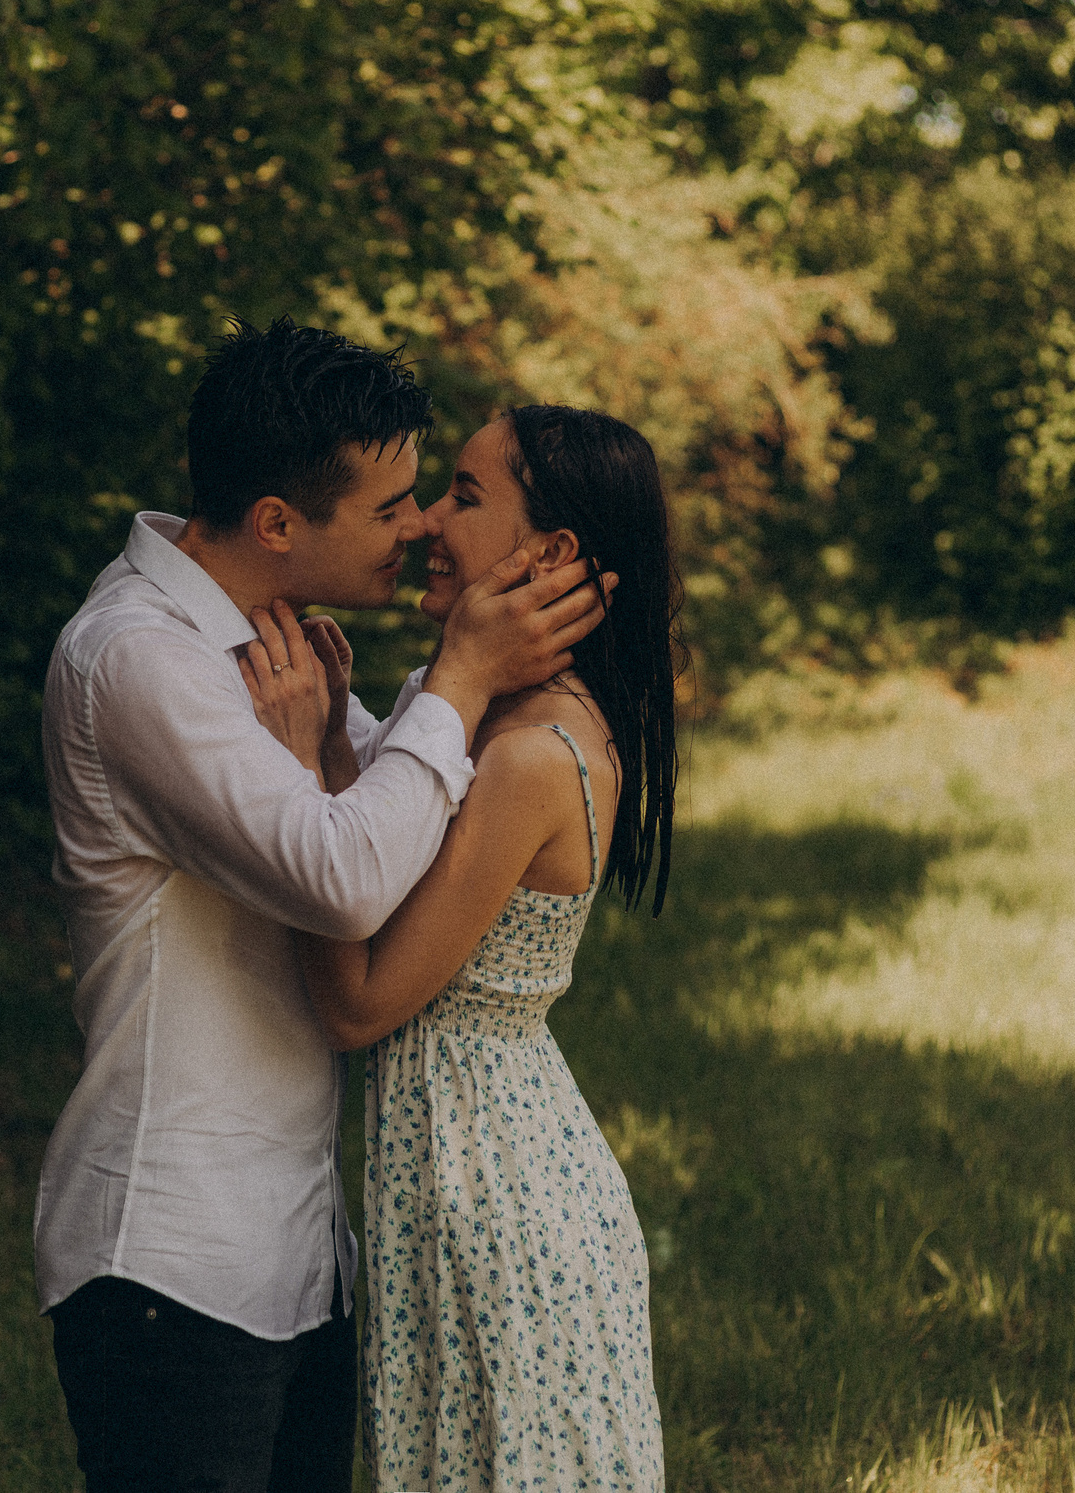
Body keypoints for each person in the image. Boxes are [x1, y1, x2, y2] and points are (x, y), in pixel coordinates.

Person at [36, 321, 618, 1493]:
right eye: (395, 505)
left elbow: (403, 827)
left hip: (300, 1253)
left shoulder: (273, 640)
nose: (418, 528)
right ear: (277, 523)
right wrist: (456, 679)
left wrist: (427, 721)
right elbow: (346, 874)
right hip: (173, 1258)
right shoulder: (140, 660)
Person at [244, 404, 679, 1491]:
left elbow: (356, 1001)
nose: (429, 518)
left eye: (465, 496)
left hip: (500, 1206)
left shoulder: (533, 753)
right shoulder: (481, 716)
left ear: (554, 554)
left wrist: (298, 773)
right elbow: (381, 888)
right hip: (456, 1181)